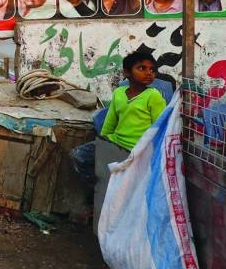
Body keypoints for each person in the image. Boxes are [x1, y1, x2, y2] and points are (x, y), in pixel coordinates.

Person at [71, 51, 167, 227]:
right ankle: (99, 191)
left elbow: (159, 129)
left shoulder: (153, 96)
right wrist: (102, 142)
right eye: (142, 68)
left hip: (136, 151)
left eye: (152, 70)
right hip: (114, 143)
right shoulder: (119, 93)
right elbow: (109, 124)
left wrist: (150, 154)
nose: (148, 73)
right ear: (127, 72)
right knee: (79, 155)